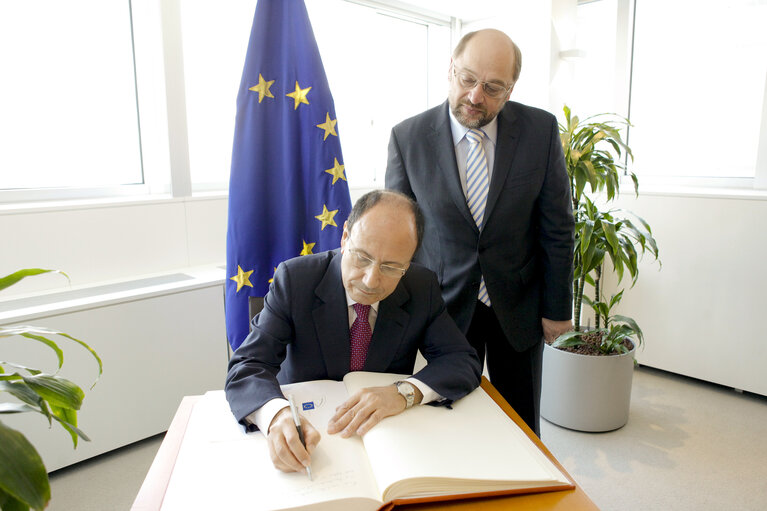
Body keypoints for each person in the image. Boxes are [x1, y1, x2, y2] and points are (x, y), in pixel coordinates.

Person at [385, 29, 574, 437]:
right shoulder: (408, 138)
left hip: (519, 304)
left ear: (510, 90)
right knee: (451, 419)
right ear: (450, 70)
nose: (475, 96)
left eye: (492, 87)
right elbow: (398, 234)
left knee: (521, 421)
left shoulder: (540, 131)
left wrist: (558, 309)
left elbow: (557, 227)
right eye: (467, 79)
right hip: (444, 306)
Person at [225, 189, 481, 473]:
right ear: (345, 236)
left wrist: (404, 392)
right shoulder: (296, 280)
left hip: (389, 439)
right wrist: (275, 416)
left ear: (408, 263)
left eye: (391, 267)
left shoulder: (422, 286)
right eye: (362, 258)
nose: (371, 281)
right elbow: (247, 366)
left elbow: (461, 360)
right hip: (310, 435)